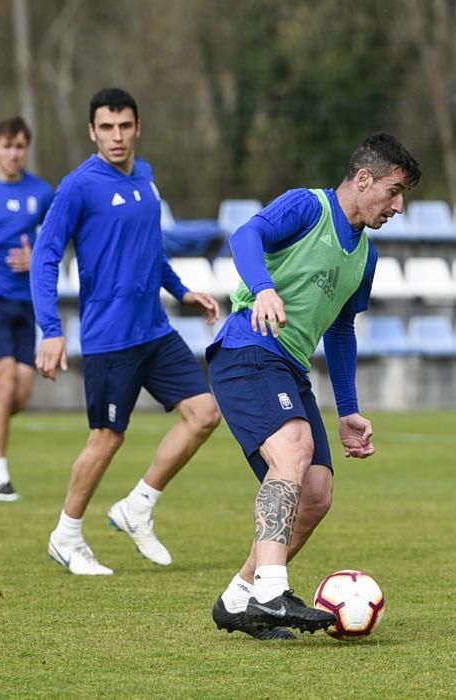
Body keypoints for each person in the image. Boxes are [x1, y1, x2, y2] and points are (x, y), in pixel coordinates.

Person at [207, 131, 421, 640]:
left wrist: (349, 409)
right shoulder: (308, 206)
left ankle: (238, 601)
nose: (399, 206)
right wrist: (262, 289)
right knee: (295, 449)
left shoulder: (364, 256)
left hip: (290, 366)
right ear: (363, 179)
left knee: (318, 493)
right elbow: (244, 237)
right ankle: (273, 592)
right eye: (393, 191)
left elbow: (342, 329)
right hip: (247, 348)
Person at [30, 88, 221, 576]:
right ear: (93, 131)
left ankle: (136, 507)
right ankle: (66, 536)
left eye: (125, 126)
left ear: (138, 128)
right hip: (109, 337)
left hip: (154, 330)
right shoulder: (78, 186)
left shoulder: (146, 176)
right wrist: (51, 329)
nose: (117, 136)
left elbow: (148, 249)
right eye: (107, 128)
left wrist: (181, 290)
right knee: (107, 439)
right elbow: (45, 256)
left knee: (203, 414)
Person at [0, 117, 54, 502]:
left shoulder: (41, 192)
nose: (14, 153)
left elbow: (56, 239)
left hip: (26, 302)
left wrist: (38, 257)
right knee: (4, 379)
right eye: (7, 145)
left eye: (20, 146)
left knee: (21, 394)